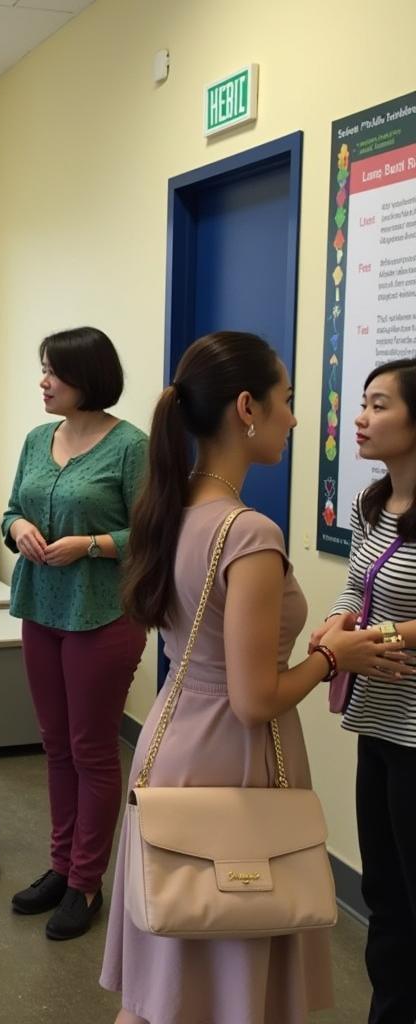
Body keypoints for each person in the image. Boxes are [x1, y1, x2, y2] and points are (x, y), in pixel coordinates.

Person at [100, 331, 409, 1024]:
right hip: (232, 762)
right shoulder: (250, 533)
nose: (296, 419)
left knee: (174, 973)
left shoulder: (174, 505)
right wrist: (334, 659)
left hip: (170, 740)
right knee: (230, 970)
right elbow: (254, 698)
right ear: (248, 407)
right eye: (288, 401)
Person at [2, 327, 146, 940]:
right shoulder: (39, 438)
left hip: (102, 616)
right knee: (54, 747)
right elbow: (10, 510)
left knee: (91, 752)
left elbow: (155, 536)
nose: (42, 381)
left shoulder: (132, 446)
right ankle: (61, 866)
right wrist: (18, 532)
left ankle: (87, 883)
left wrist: (91, 544)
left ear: (87, 377)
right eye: (42, 370)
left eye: (52, 372)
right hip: (42, 609)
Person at [313, 358, 416, 1024]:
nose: (360, 417)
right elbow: (356, 587)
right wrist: (333, 628)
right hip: (376, 721)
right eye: (362, 403)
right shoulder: (371, 502)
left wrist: (386, 640)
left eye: (378, 405)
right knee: (385, 893)